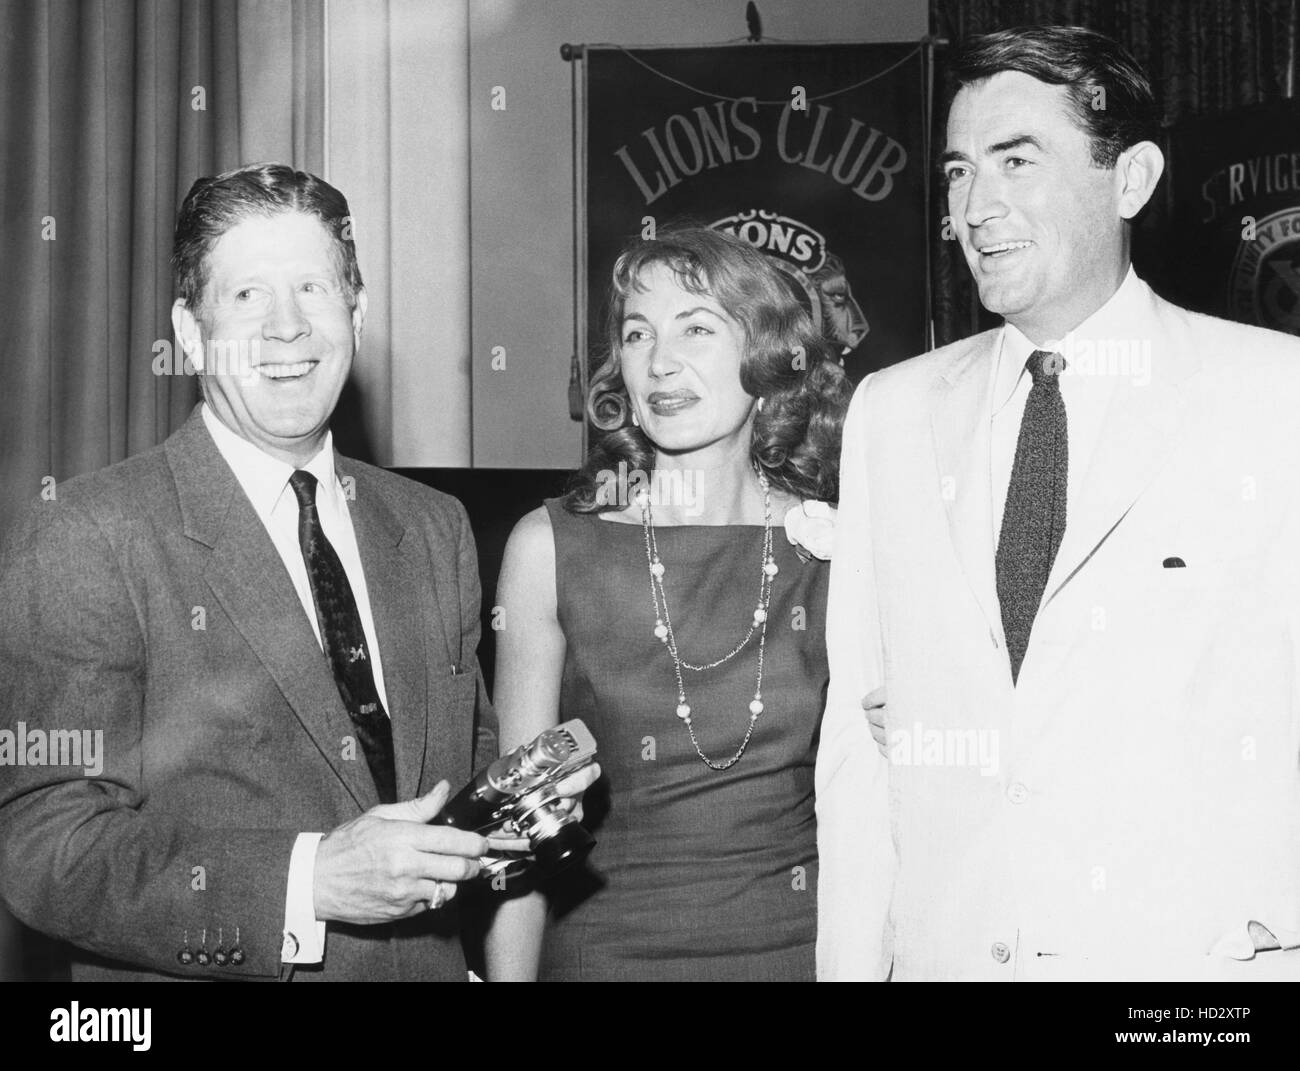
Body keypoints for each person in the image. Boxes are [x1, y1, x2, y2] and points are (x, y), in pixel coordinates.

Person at [0, 162, 593, 981]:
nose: (288, 327)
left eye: (314, 288)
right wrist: (308, 881)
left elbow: (452, 774)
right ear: (189, 328)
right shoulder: (89, 534)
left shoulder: (431, 527)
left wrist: (513, 806)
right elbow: (47, 849)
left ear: (355, 311)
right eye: (248, 296)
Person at [817, 24, 1300, 982]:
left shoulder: (1271, 396)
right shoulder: (891, 412)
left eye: (1017, 161)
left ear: (1131, 180)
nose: (974, 208)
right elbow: (857, 764)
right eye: (958, 172)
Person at [484, 226, 851, 981]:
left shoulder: (837, 549)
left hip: (799, 951)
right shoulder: (548, 548)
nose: (661, 361)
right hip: (604, 954)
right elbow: (518, 826)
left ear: (768, 352)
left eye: (697, 328)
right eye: (637, 333)